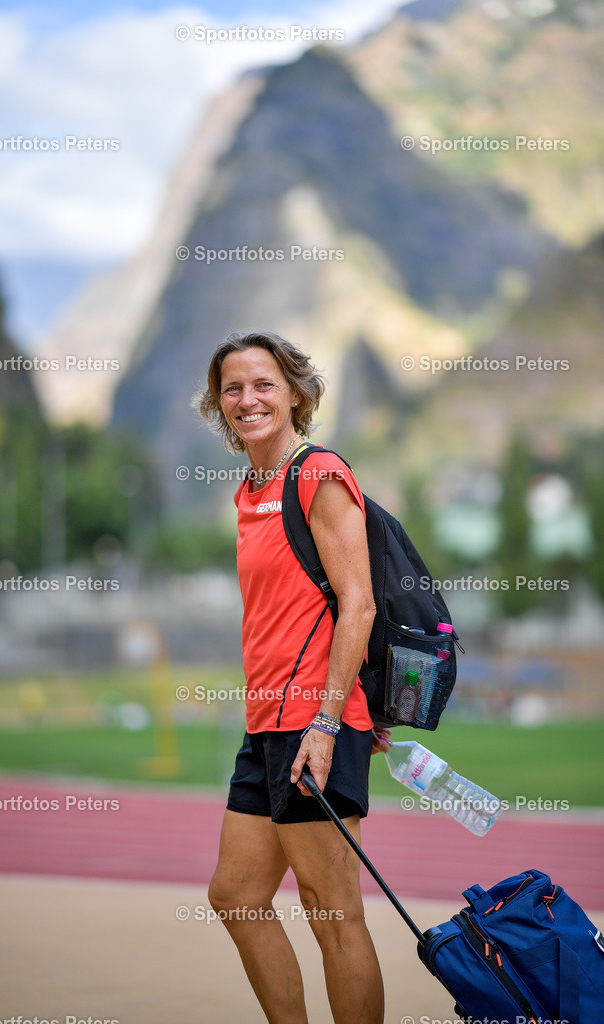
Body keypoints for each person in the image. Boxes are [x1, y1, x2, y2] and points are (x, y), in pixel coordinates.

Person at [195, 331, 392, 1024]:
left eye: (262, 384)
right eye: (232, 388)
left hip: (314, 726)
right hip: (266, 727)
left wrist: (328, 720)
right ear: (218, 405)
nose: (247, 399)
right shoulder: (249, 491)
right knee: (236, 895)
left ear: (295, 393)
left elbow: (358, 604)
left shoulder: (319, 474)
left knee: (331, 911)